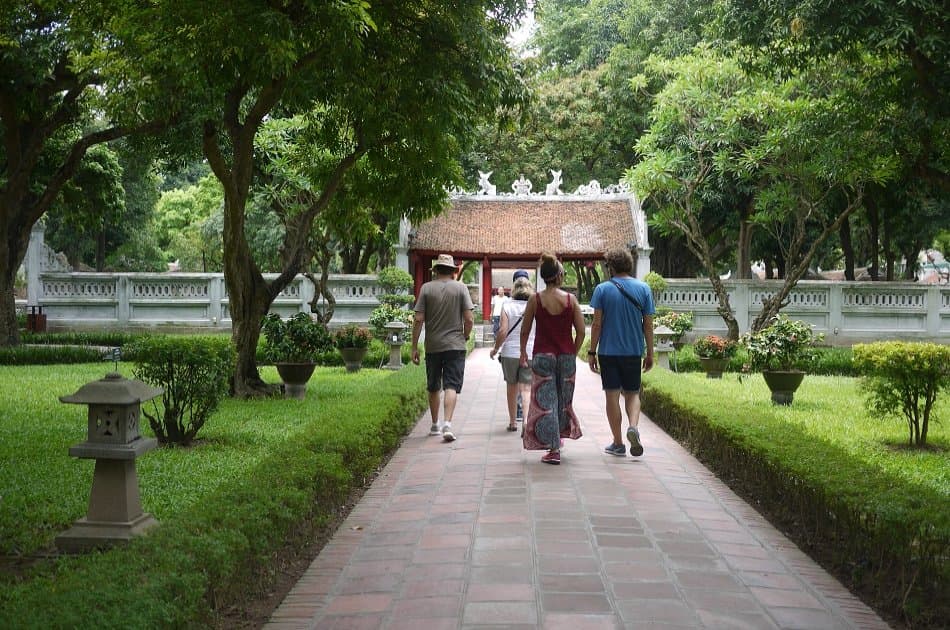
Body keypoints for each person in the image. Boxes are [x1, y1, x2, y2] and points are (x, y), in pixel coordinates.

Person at [587, 247, 655, 457]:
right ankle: (633, 427)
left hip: (608, 352)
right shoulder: (644, 289)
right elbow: (648, 325)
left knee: (612, 396)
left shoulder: (602, 289)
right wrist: (650, 353)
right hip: (633, 351)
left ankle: (618, 443)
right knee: (633, 394)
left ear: (611, 267)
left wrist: (591, 351)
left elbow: (596, 325)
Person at [519, 253, 585, 465]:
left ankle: (554, 448)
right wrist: (573, 352)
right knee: (563, 400)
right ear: (559, 276)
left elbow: (525, 330)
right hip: (566, 357)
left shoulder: (535, 299)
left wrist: (523, 352)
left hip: (543, 356)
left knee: (547, 401)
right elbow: (581, 331)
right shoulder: (571, 300)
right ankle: (557, 440)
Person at [411, 254, 474, 442]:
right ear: (453, 271)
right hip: (455, 345)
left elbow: (418, 319)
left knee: (433, 386)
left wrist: (414, 346)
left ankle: (434, 424)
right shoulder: (461, 288)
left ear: (436, 270)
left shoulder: (426, 288)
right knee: (451, 385)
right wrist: (465, 335)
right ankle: (447, 423)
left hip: (433, 345)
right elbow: (469, 319)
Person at [489, 276, 535, 432]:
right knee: (526, 388)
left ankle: (513, 422)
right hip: (529, 351)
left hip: (509, 352)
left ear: (514, 290)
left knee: (511, 387)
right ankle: (526, 422)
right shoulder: (534, 306)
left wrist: (495, 349)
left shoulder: (507, 306)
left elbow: (502, 331)